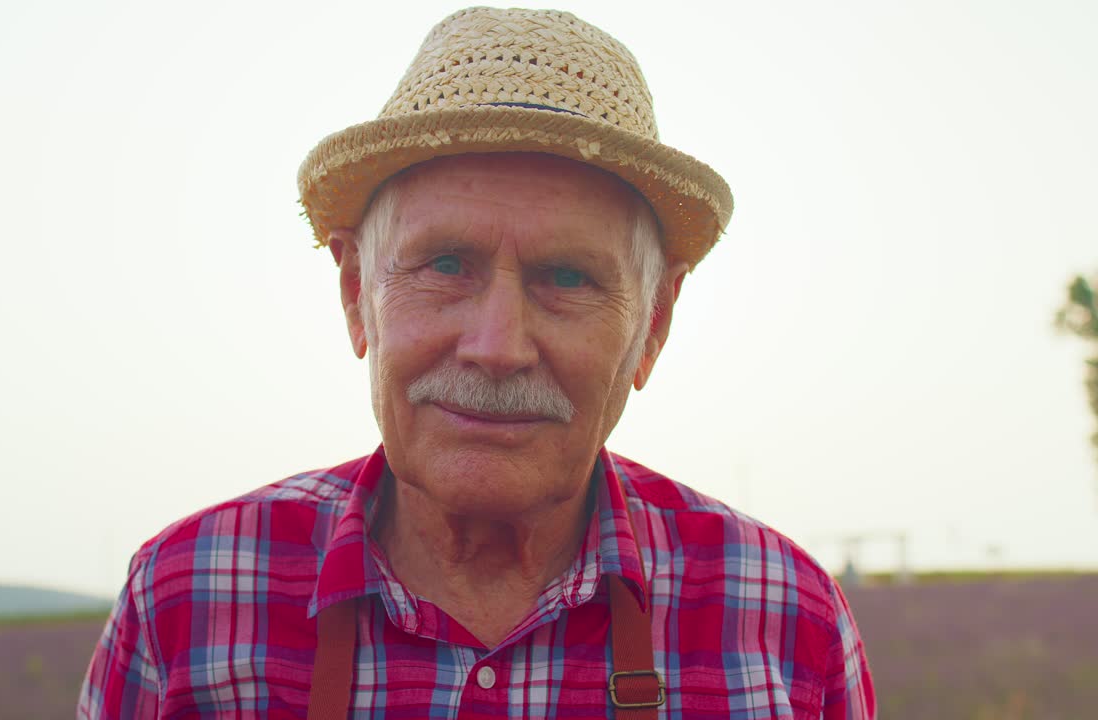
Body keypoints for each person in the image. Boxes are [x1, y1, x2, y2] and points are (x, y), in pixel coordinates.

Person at [79, 7, 875, 719]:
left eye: (567, 278)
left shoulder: (789, 625)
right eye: (446, 265)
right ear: (358, 292)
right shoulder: (186, 601)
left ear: (654, 323)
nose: (497, 347)